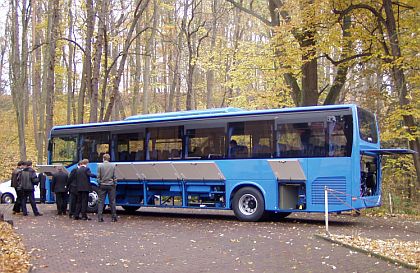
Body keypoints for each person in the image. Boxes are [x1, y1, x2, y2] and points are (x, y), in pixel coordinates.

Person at [97, 154, 117, 222]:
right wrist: (115, 184)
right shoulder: (113, 166)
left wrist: (99, 183)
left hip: (102, 185)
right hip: (111, 185)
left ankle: (100, 217)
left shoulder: (100, 166)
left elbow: (98, 177)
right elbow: (114, 177)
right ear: (109, 159)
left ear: (103, 158)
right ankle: (114, 217)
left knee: (101, 201)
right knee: (112, 201)